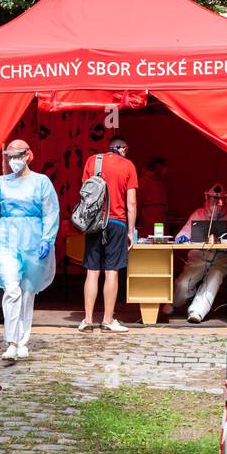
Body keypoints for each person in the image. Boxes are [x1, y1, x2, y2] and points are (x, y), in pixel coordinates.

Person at [0, 138, 59, 360]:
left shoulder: (41, 182)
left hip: (32, 239)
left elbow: (50, 212)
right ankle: (11, 341)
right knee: (12, 288)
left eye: (18, 156)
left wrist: (47, 238)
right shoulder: (1, 183)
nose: (14, 161)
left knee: (27, 291)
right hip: (7, 237)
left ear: (28, 155)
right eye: (11, 157)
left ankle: (22, 340)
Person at [80, 136, 138, 332]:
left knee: (92, 271)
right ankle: (107, 320)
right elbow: (131, 202)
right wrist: (131, 231)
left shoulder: (92, 161)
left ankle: (87, 320)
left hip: (94, 222)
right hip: (117, 222)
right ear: (123, 148)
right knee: (112, 270)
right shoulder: (128, 166)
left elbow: (85, 194)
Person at [168, 183, 227, 323]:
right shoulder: (198, 214)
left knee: (215, 277)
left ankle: (197, 311)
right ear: (207, 199)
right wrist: (182, 238)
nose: (216, 202)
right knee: (183, 284)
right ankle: (174, 304)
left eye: (219, 199)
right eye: (213, 199)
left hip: (221, 258)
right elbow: (183, 233)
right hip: (199, 257)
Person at [139, 157, 169, 235]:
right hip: (149, 223)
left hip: (161, 221)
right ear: (156, 166)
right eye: (163, 166)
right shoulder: (144, 180)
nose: (165, 169)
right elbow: (138, 202)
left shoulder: (160, 182)